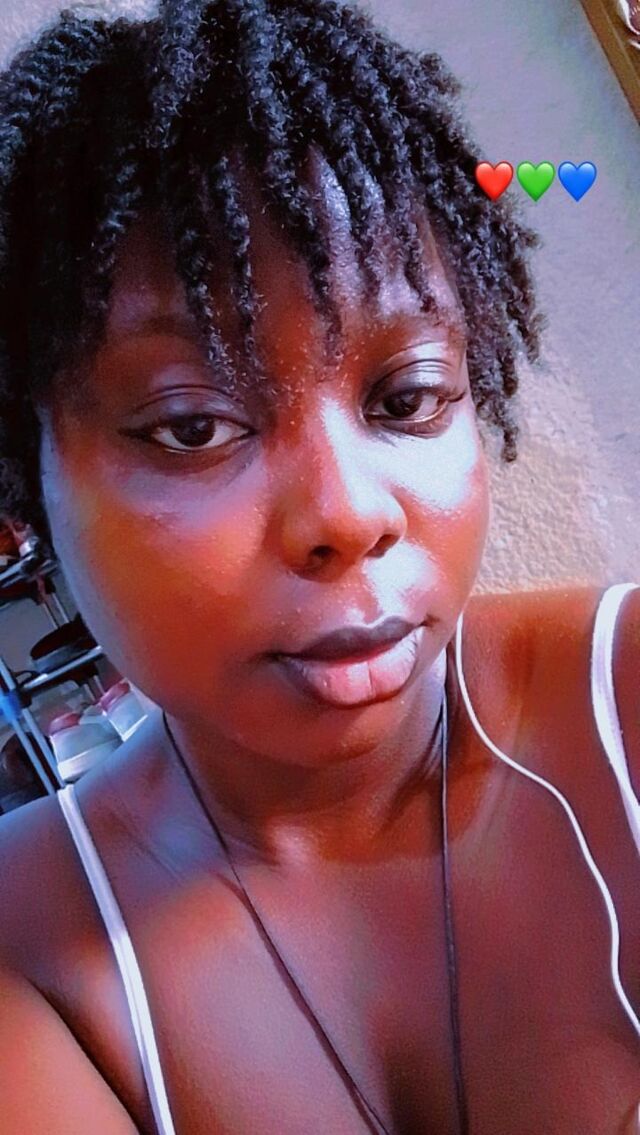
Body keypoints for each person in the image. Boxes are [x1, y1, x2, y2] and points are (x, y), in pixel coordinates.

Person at [0, 1, 637, 1132]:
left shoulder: (626, 707)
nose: (348, 514)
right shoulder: (29, 949)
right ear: (26, 480)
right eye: (192, 424)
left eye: (406, 398)